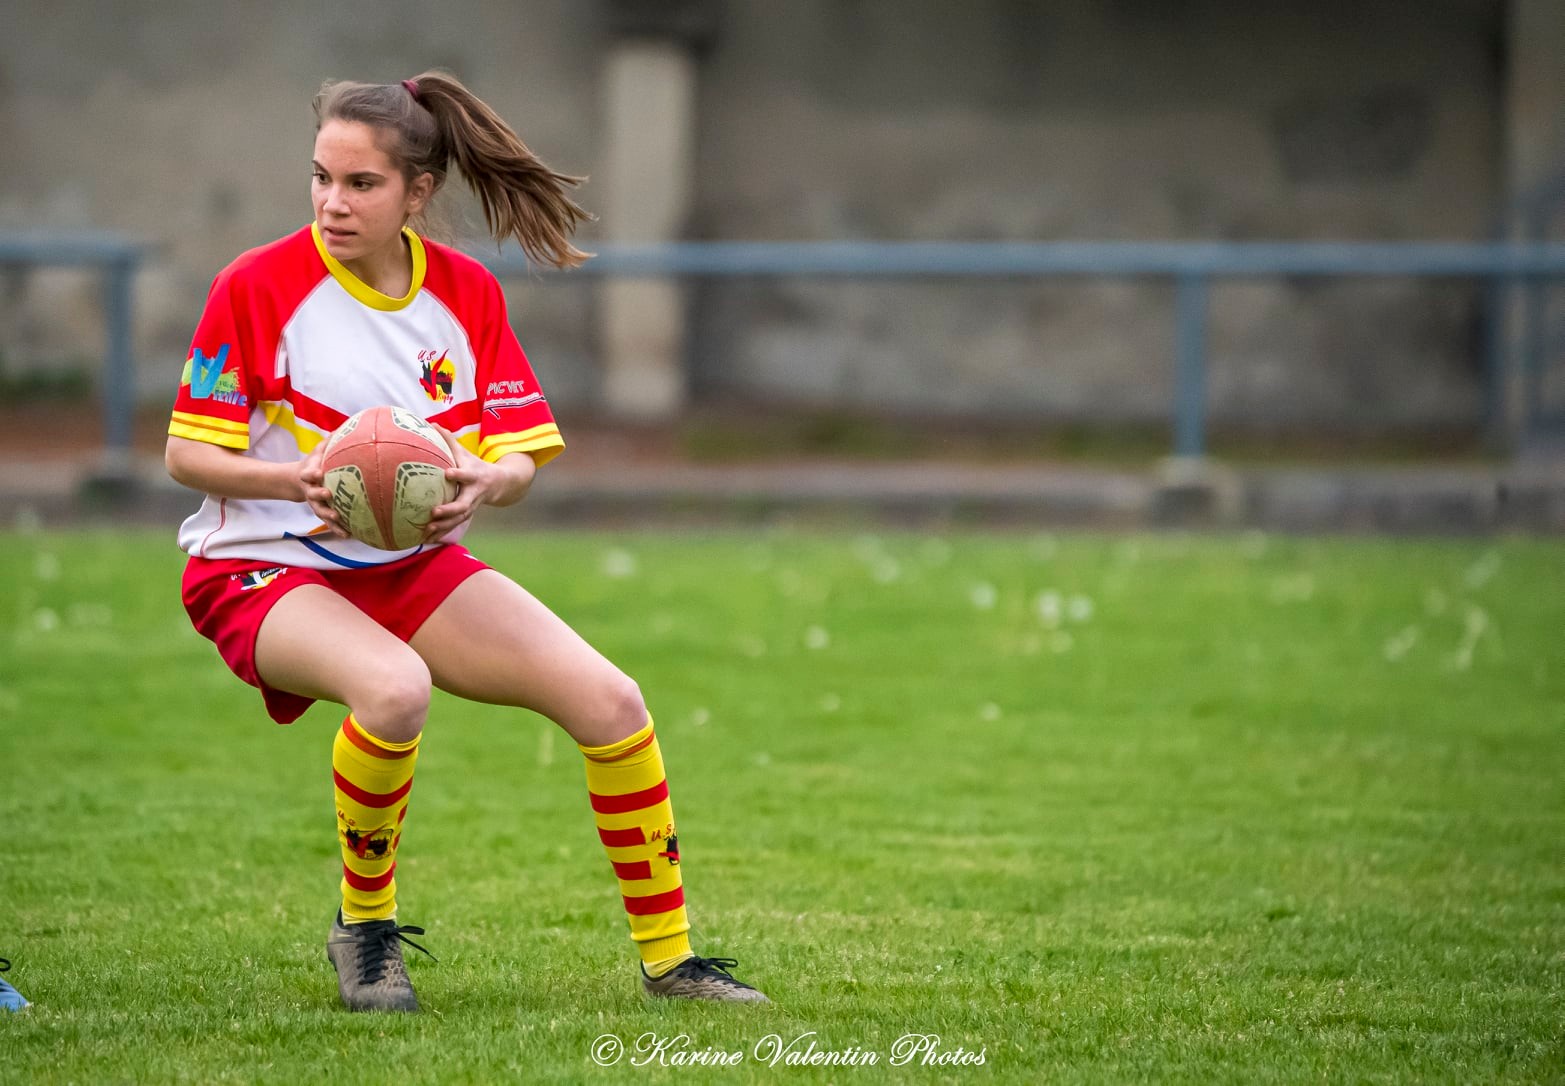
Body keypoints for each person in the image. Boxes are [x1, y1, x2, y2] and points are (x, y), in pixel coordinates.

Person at [165, 71, 766, 1012]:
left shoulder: (465, 292)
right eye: (321, 177)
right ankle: (364, 933)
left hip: (407, 564)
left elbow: (518, 457)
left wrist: (489, 480)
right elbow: (184, 452)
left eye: (361, 184)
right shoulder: (256, 284)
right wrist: (300, 477)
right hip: (261, 566)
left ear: (416, 192)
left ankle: (674, 962)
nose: (332, 202)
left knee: (611, 701)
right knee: (394, 689)